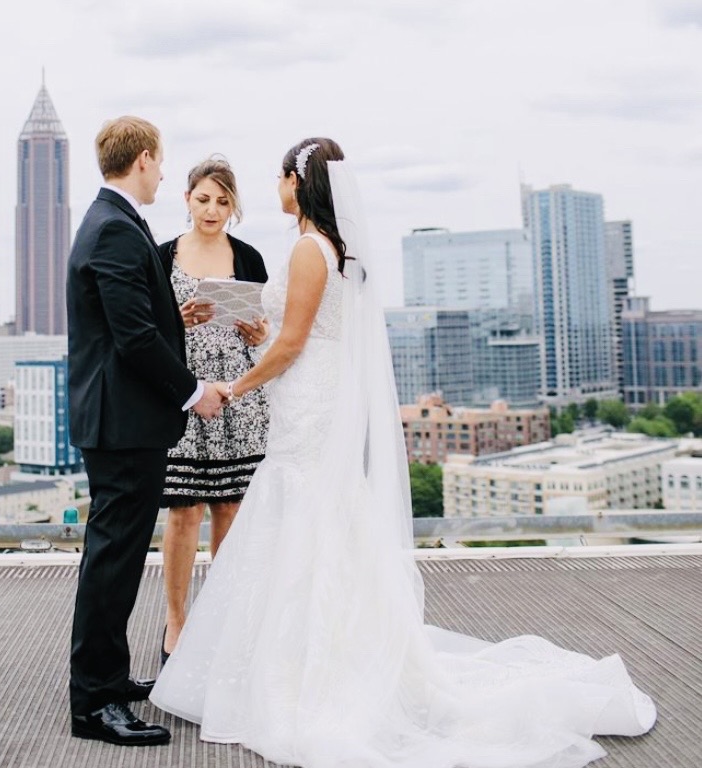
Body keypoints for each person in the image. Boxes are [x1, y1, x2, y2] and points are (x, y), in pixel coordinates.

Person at [151, 138, 656, 768]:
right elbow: (297, 336)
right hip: (313, 393)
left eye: (281, 177)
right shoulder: (332, 249)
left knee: (303, 515)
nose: (275, 186)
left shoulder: (310, 249)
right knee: (317, 520)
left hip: (305, 396)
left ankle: (305, 670)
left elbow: (291, 347)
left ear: (297, 183)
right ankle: (312, 650)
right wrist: (260, 338)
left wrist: (235, 383)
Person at [66, 115, 224, 748]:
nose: (163, 173)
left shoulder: (115, 223)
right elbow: (131, 340)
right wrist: (193, 392)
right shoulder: (115, 230)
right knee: (112, 563)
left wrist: (172, 313)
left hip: (122, 421)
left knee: (121, 558)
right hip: (122, 424)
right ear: (144, 159)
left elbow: (129, 319)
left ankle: (106, 679)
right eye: (161, 164)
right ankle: (96, 702)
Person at [157, 155, 270, 665]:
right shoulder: (160, 258)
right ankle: (176, 622)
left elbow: (266, 331)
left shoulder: (248, 257)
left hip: (238, 395)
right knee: (183, 512)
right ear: (186, 199)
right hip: (183, 395)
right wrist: (175, 320)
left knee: (230, 509)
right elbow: (147, 337)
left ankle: (221, 622)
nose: (212, 209)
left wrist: (258, 333)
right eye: (204, 199)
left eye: (223, 201)